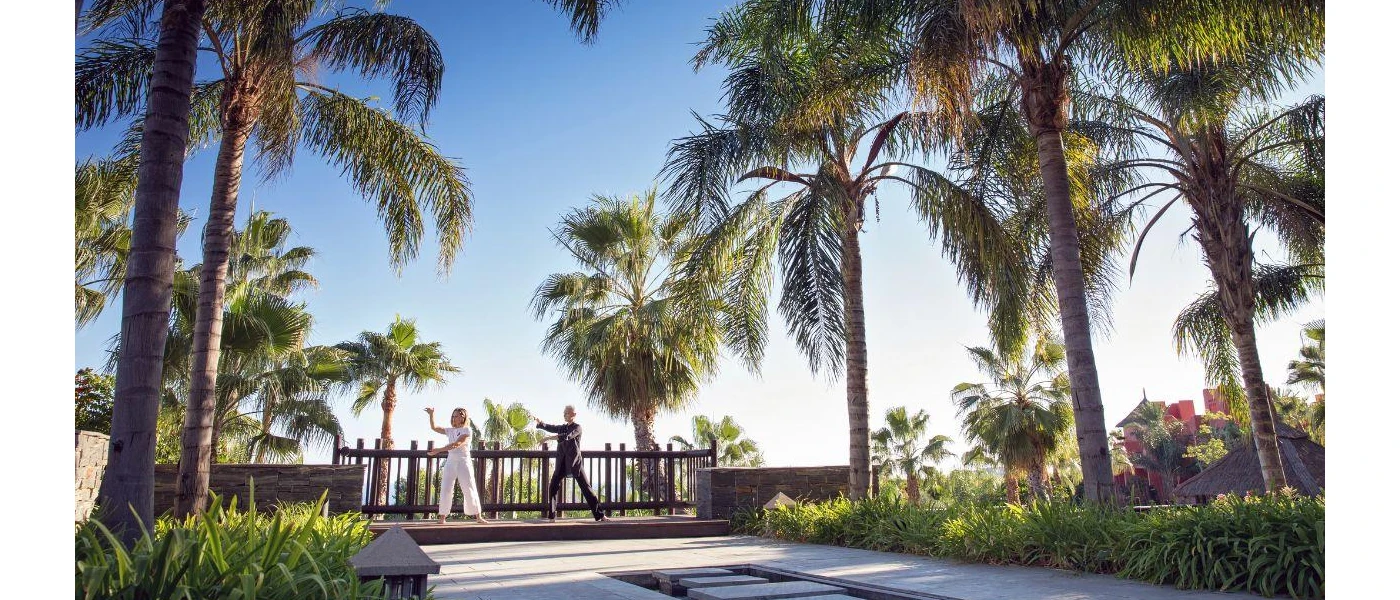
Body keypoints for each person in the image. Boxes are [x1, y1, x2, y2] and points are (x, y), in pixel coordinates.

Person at [535, 405, 609, 522]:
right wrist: (541, 424)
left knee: (586, 488)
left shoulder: (577, 428)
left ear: (573, 415)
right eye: (564, 413)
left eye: (567, 413)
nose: (564, 415)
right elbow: (551, 427)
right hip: (562, 463)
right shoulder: (562, 427)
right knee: (553, 486)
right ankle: (552, 516)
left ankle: (600, 515)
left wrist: (549, 438)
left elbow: (567, 436)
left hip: (575, 463)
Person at [425, 407, 488, 525]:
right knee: (446, 487)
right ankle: (442, 517)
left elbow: (456, 444)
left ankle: (478, 517)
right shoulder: (450, 430)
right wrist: (431, 414)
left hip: (464, 462)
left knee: (469, 488)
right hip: (451, 462)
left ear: (463, 417)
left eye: (456, 416)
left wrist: (439, 450)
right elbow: (434, 427)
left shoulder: (467, 430)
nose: (454, 418)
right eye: (453, 416)